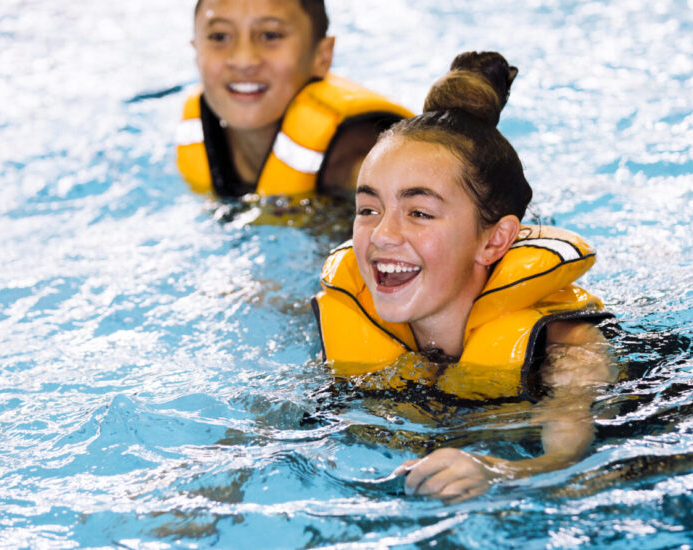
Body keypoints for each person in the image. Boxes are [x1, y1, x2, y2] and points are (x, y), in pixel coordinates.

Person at [312, 51, 618, 501]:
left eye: (419, 212)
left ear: (494, 241)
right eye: (368, 209)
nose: (383, 235)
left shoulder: (567, 351)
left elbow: (566, 466)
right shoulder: (349, 324)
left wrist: (497, 472)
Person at [176, 0, 413, 201]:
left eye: (270, 35)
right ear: (196, 51)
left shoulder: (357, 162)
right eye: (219, 36)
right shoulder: (201, 131)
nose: (243, 60)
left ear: (323, 55)